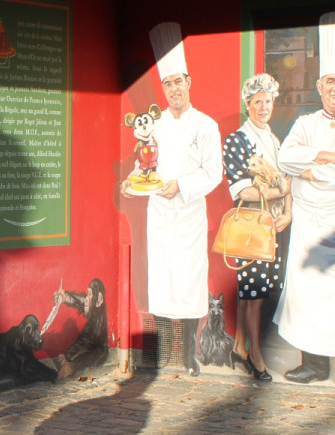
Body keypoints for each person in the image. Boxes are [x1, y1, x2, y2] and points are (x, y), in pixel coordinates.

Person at [121, 22, 222, 377]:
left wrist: (180, 186)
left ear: (189, 83)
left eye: (179, 81)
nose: (174, 89)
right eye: (167, 83)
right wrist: (131, 183)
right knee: (161, 279)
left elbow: (214, 173)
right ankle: (165, 352)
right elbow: (144, 163)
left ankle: (189, 354)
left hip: (190, 212)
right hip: (159, 213)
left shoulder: (206, 125)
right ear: (162, 88)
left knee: (191, 279)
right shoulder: (155, 123)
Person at [276, 11, 335, 384]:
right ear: (318, 87)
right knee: (304, 297)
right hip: (306, 230)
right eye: (329, 82)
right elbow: (285, 157)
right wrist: (319, 159)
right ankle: (314, 365)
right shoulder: (307, 123)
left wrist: (313, 170)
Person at [221, 73, 292, 382]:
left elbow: (288, 181)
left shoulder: (274, 139)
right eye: (257, 102)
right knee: (253, 292)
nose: (264, 107)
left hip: (272, 225)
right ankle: (255, 356)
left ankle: (239, 346)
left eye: (268, 101)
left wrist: (287, 212)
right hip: (251, 225)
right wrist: (280, 192)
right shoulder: (237, 139)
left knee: (257, 289)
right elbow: (243, 191)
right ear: (246, 104)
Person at [53, 279, 109, 379]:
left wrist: (69, 356)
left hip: (96, 352)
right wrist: (65, 296)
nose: (87, 299)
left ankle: (70, 368)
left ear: (99, 300)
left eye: (90, 294)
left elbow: (86, 340)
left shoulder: (97, 321)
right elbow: (81, 300)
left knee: (91, 355)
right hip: (90, 348)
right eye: (88, 294)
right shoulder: (95, 308)